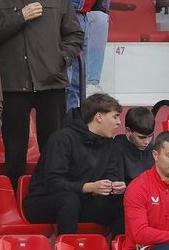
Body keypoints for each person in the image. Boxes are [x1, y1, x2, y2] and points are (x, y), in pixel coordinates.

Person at [0, 0, 81, 184]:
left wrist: (62, 59)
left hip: (51, 83)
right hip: (12, 84)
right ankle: (14, 198)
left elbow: (74, 34)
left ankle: (50, 195)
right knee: (14, 154)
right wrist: (20, 17)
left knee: (54, 150)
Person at [25, 93, 126, 235]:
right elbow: (53, 182)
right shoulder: (62, 139)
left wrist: (114, 186)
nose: (119, 123)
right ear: (99, 117)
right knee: (69, 200)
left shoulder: (111, 145)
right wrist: (88, 187)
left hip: (85, 202)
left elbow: (112, 173)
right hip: (44, 200)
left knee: (126, 202)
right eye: (115, 116)